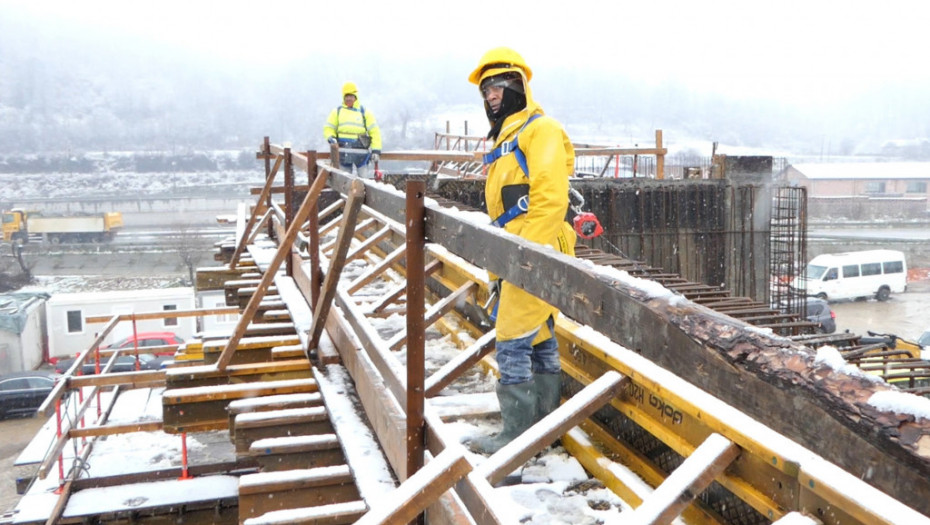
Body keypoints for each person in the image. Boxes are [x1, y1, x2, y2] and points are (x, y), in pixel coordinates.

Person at [467, 47, 576, 454]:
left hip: (535, 248)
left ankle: (515, 437)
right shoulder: (508, 136)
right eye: (485, 90)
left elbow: (550, 196)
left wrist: (527, 255)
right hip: (518, 249)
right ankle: (545, 427)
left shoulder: (538, 129)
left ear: (518, 85)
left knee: (511, 338)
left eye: (498, 86)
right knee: (540, 334)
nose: (491, 96)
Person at [323, 82, 382, 178]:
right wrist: (331, 138)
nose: (349, 98)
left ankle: (364, 193)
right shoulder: (337, 112)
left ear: (356, 97)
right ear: (343, 97)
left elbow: (374, 132)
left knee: (365, 182)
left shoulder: (364, 112)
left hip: (362, 154)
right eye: (346, 96)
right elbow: (329, 128)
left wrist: (376, 150)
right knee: (344, 181)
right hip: (343, 153)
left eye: (351, 96)